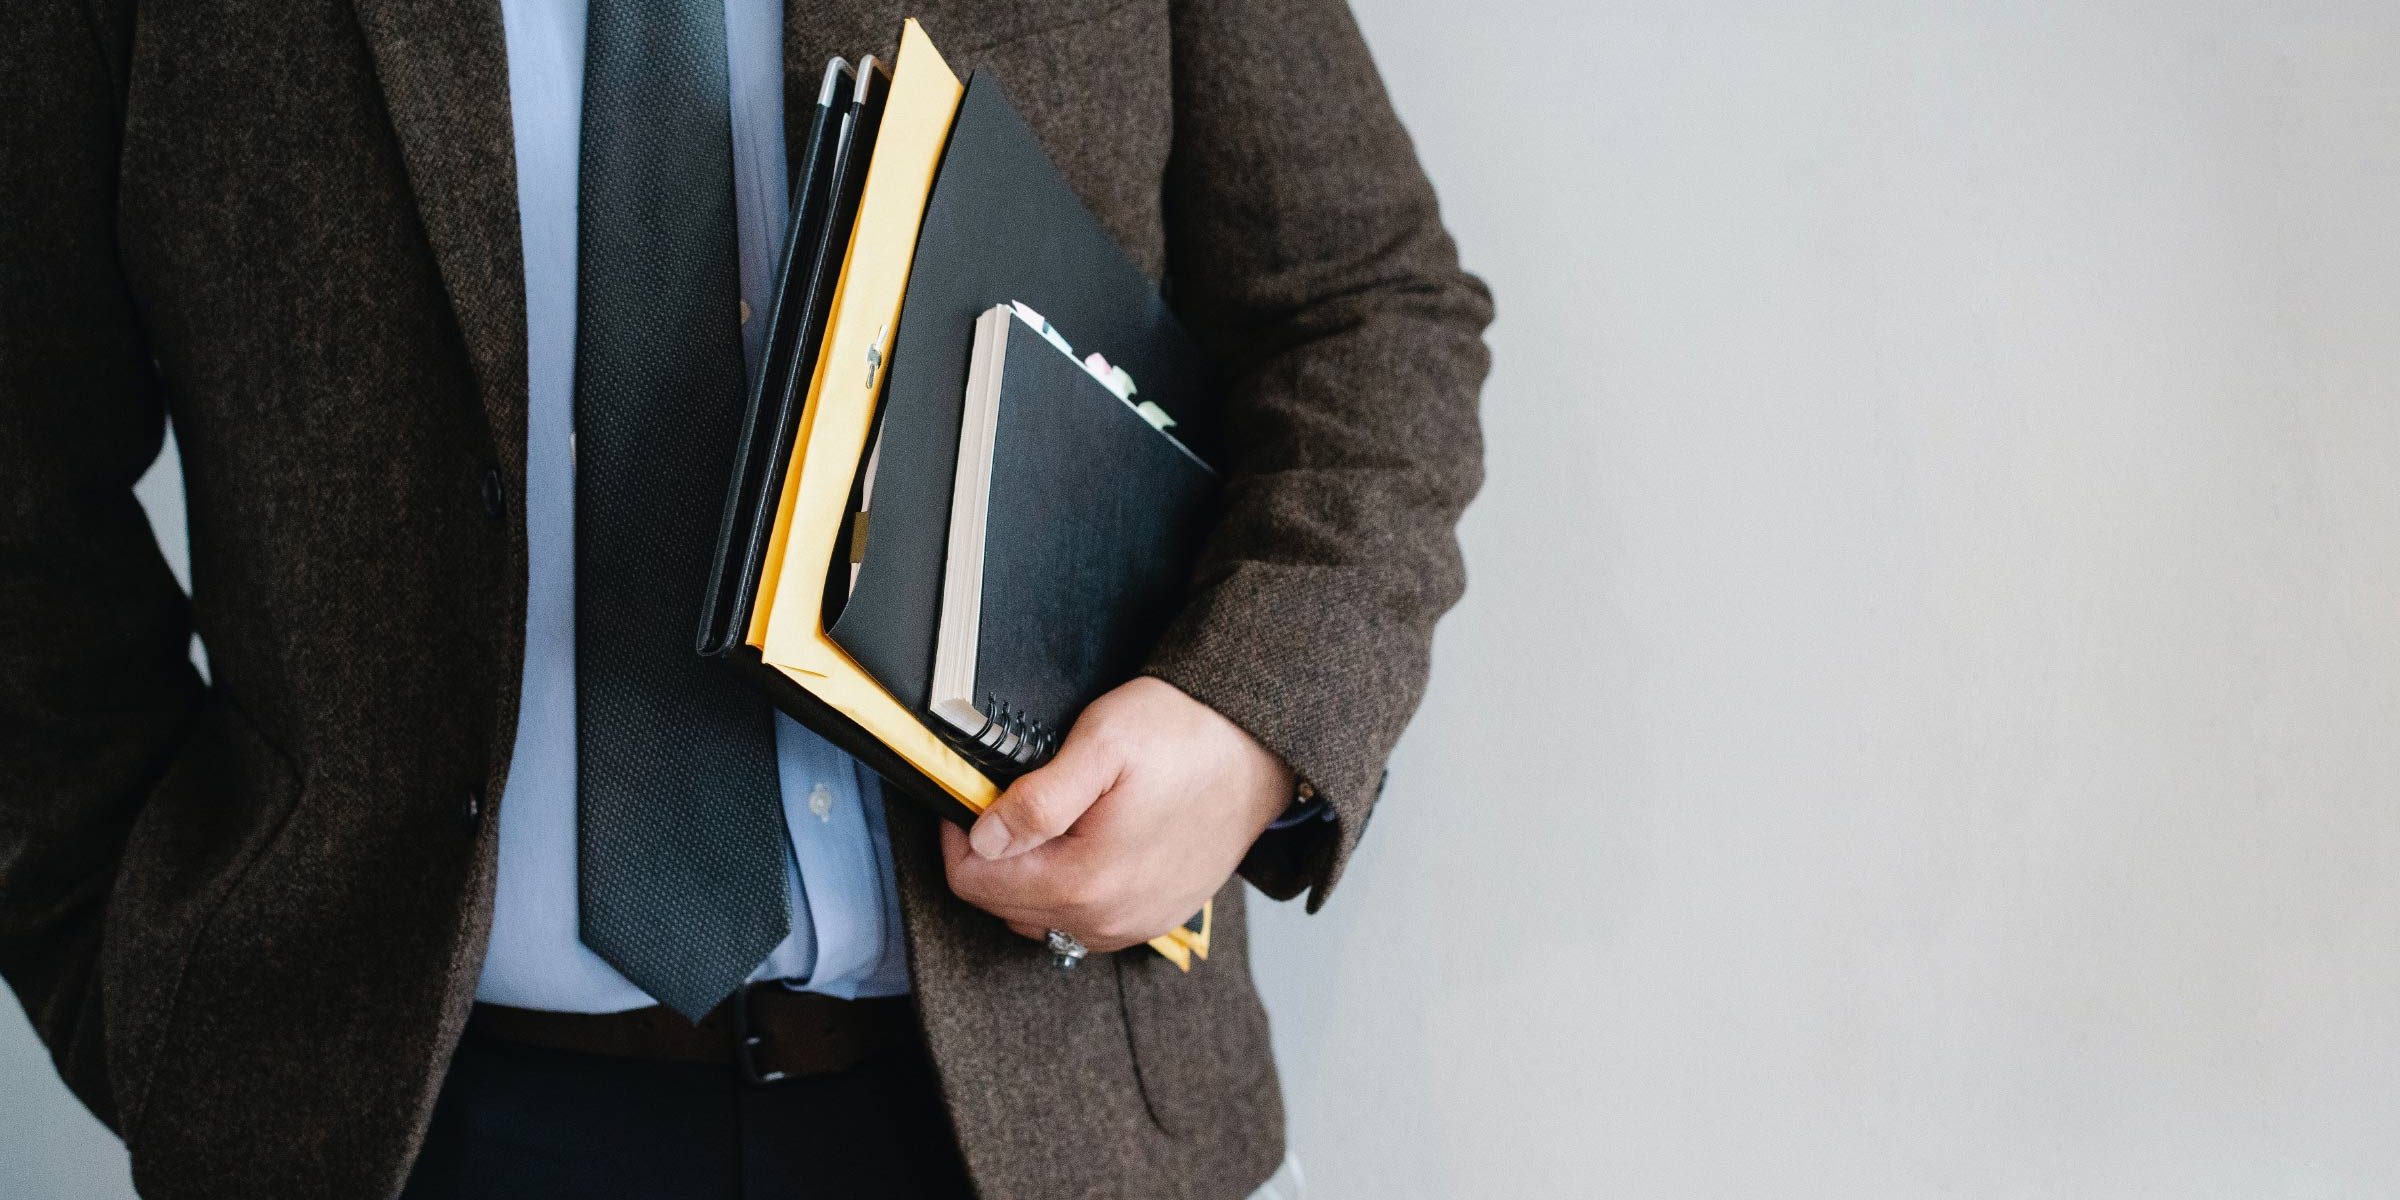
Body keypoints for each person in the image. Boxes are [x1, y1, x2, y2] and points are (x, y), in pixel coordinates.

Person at [0, 0, 1490, 1196]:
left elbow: (1361, 305)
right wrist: (142, 998)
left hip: (1057, 1095)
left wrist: (1252, 716)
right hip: (392, 1120)